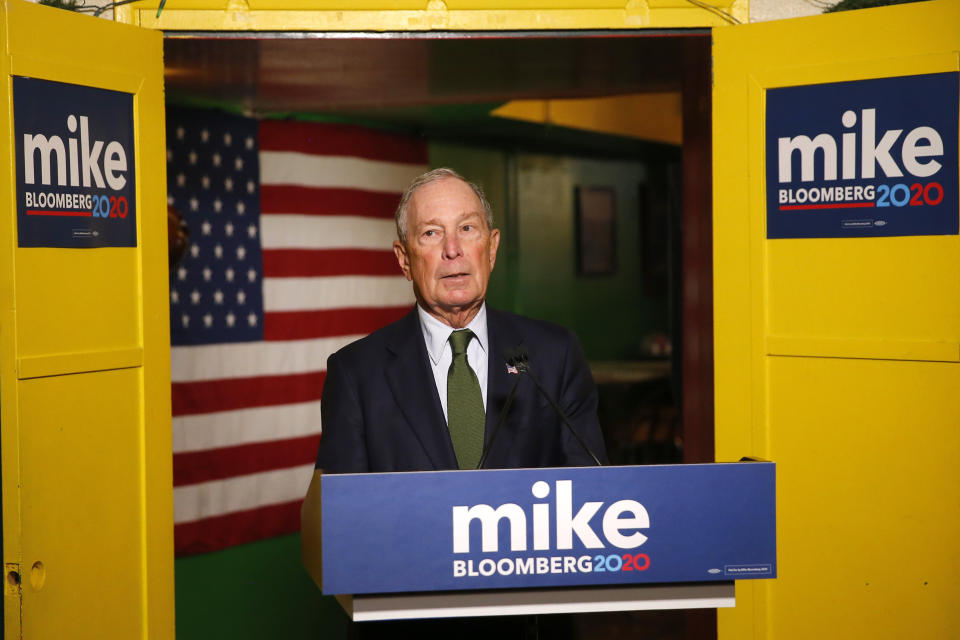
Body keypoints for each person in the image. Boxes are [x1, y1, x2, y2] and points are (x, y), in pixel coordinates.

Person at [315, 167, 608, 474]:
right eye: (431, 233)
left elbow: (590, 489)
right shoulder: (355, 374)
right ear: (404, 260)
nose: (453, 250)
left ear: (492, 249)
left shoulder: (555, 355)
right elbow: (342, 511)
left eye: (467, 228)